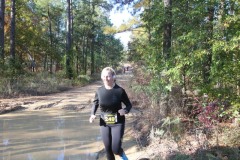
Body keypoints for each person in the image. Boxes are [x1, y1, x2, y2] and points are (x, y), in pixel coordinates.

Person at [89, 67, 132, 160]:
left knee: (115, 149)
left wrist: (125, 110)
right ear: (101, 77)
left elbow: (129, 105)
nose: (106, 78)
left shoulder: (120, 91)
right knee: (108, 149)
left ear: (113, 77)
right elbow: (95, 103)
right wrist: (92, 114)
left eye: (108, 76)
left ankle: (124, 158)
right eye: (104, 76)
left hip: (118, 123)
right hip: (104, 123)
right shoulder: (99, 91)